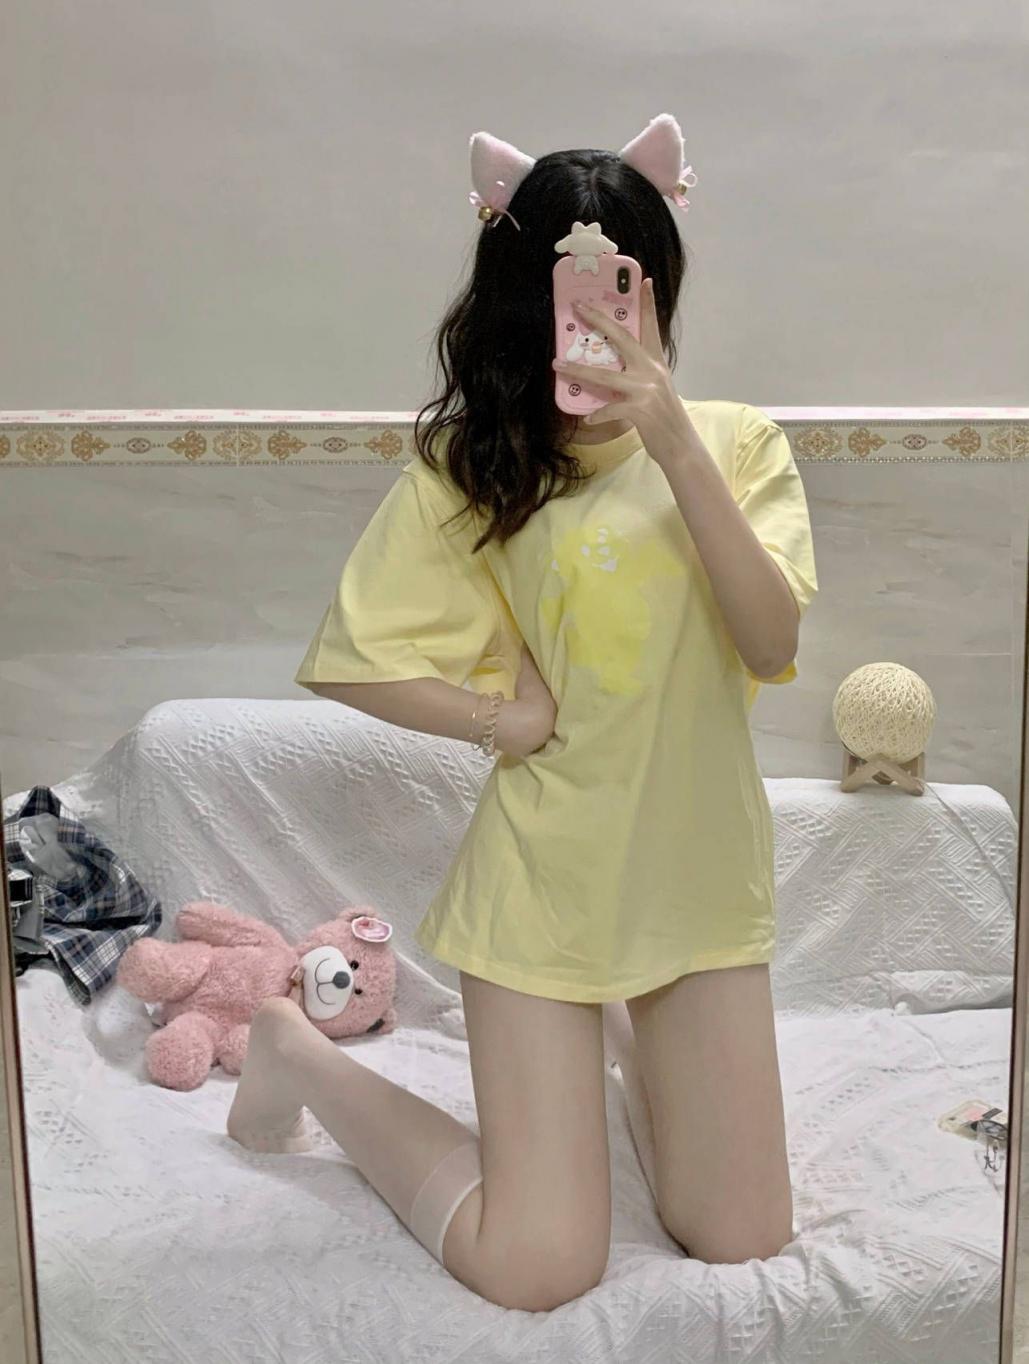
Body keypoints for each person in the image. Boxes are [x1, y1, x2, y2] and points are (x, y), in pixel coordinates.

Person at [226, 112, 817, 1313]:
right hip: (545, 886)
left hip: (695, 881)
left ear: (655, 288)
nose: (598, 323)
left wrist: (671, 438)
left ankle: (625, 1043)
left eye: (623, 292)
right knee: (536, 1263)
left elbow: (770, 641)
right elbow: (347, 660)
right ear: (521, 304)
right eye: (568, 299)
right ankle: (294, 1050)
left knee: (740, 1235)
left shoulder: (738, 443)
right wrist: (503, 718)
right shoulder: (480, 467)